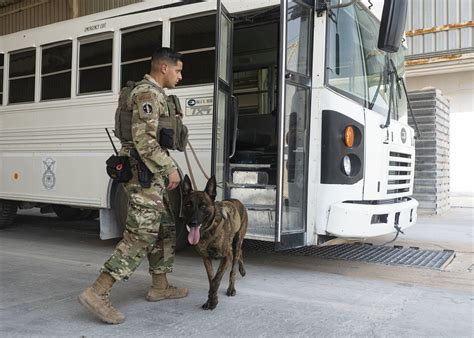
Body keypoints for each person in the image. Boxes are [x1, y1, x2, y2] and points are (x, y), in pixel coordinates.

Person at [78, 48, 187, 325]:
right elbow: (145, 142)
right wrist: (170, 167)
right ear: (163, 68)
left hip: (151, 171)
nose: (180, 76)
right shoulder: (146, 94)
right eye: (178, 70)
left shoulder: (158, 95)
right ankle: (97, 291)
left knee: (164, 227)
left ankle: (160, 286)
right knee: (140, 234)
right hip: (144, 173)